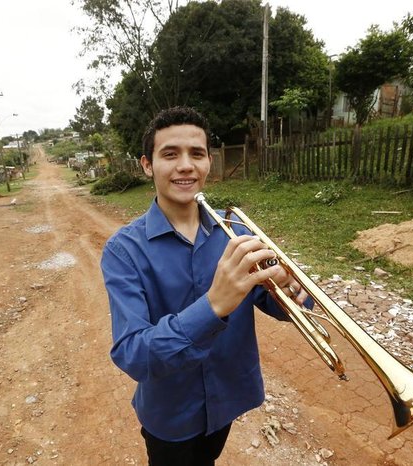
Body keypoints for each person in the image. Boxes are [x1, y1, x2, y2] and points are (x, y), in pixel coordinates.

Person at [100, 106, 309, 465]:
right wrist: (213, 305)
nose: (185, 165)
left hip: (227, 401)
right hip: (170, 416)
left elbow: (285, 308)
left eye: (196, 154)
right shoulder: (123, 251)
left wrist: (291, 287)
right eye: (170, 154)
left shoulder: (236, 233)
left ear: (209, 162)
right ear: (147, 165)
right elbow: (133, 353)